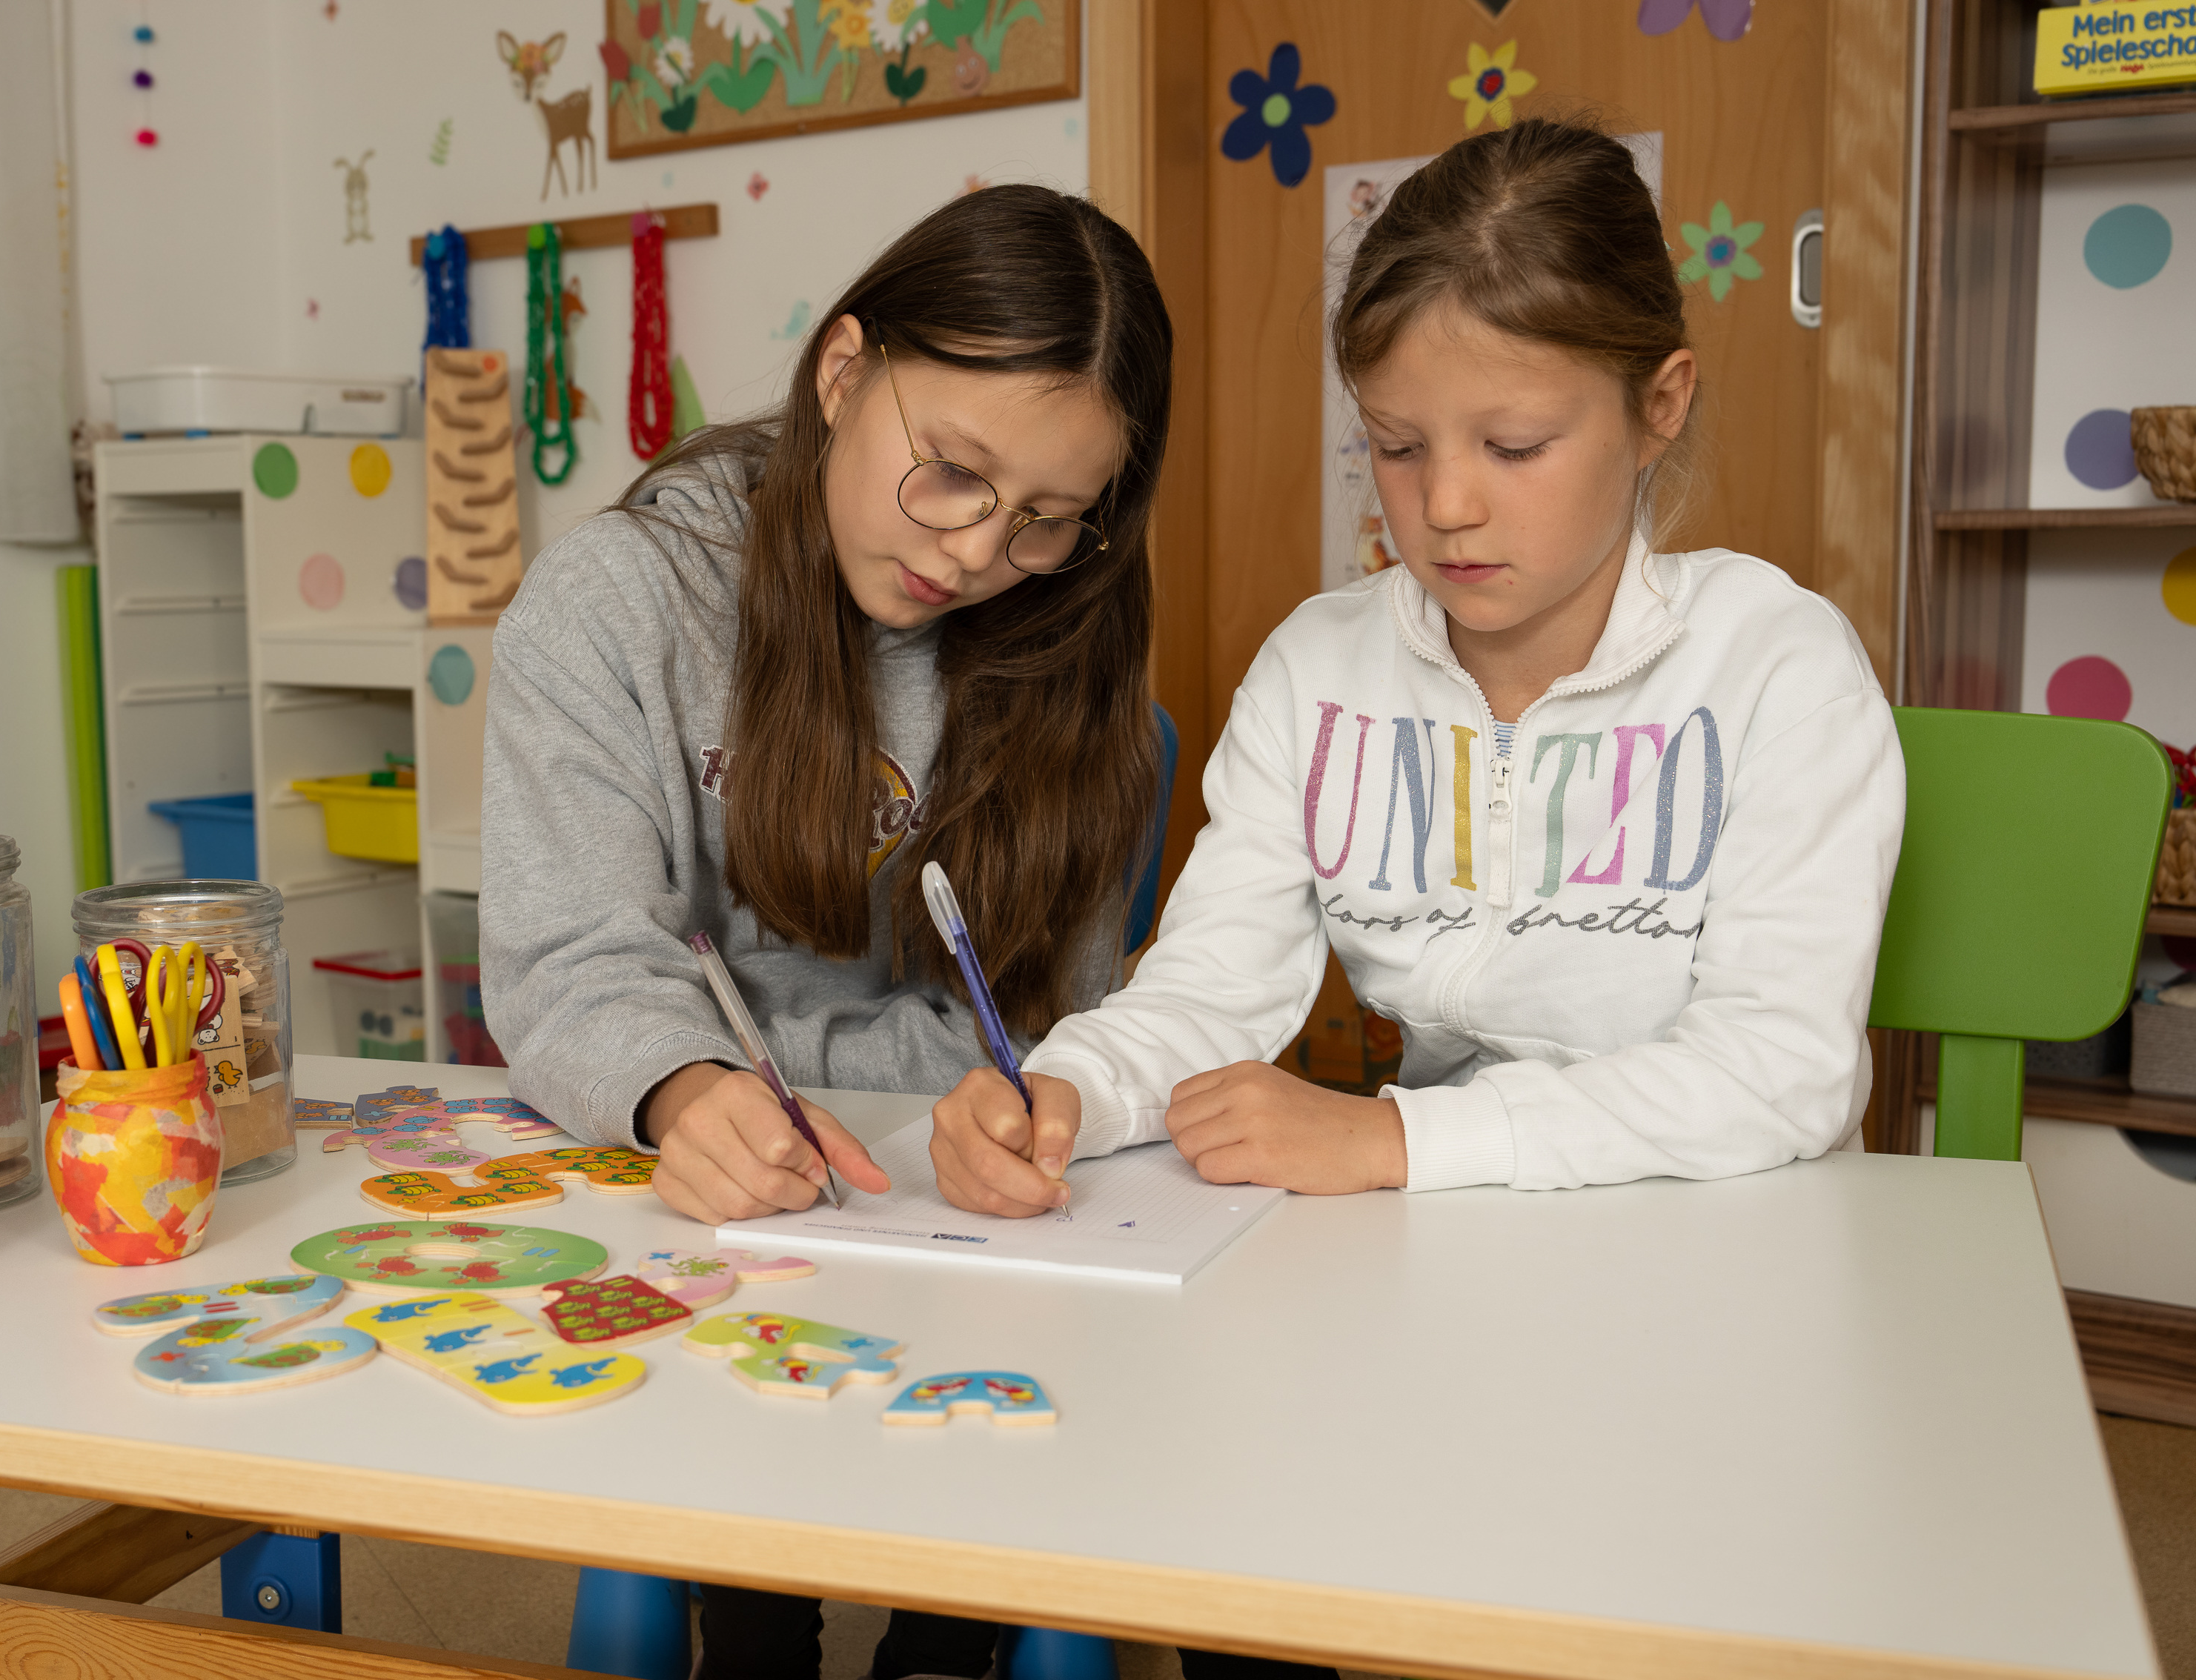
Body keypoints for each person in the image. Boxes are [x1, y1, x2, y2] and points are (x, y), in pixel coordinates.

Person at [932, 119, 1905, 1227]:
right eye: (1396, 446)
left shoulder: (1780, 669)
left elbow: (1778, 1071)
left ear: (1660, 405)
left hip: (1737, 1238)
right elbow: (1210, 990)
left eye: (1515, 446)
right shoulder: (1316, 672)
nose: (1444, 505)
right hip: (1458, 1233)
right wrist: (1067, 1092)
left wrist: (1398, 1136)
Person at [480, 184, 1170, 1680]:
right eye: (954, 473)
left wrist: (976, 1093)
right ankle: (756, 1610)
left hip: (958, 1222)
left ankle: (941, 1627)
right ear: (844, 372)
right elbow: (567, 960)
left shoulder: (1073, 643)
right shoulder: (618, 603)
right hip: (715, 1211)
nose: (976, 550)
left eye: (1046, 517)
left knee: (1008, 1438)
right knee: (723, 1513)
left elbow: (1045, 1013)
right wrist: (682, 1084)